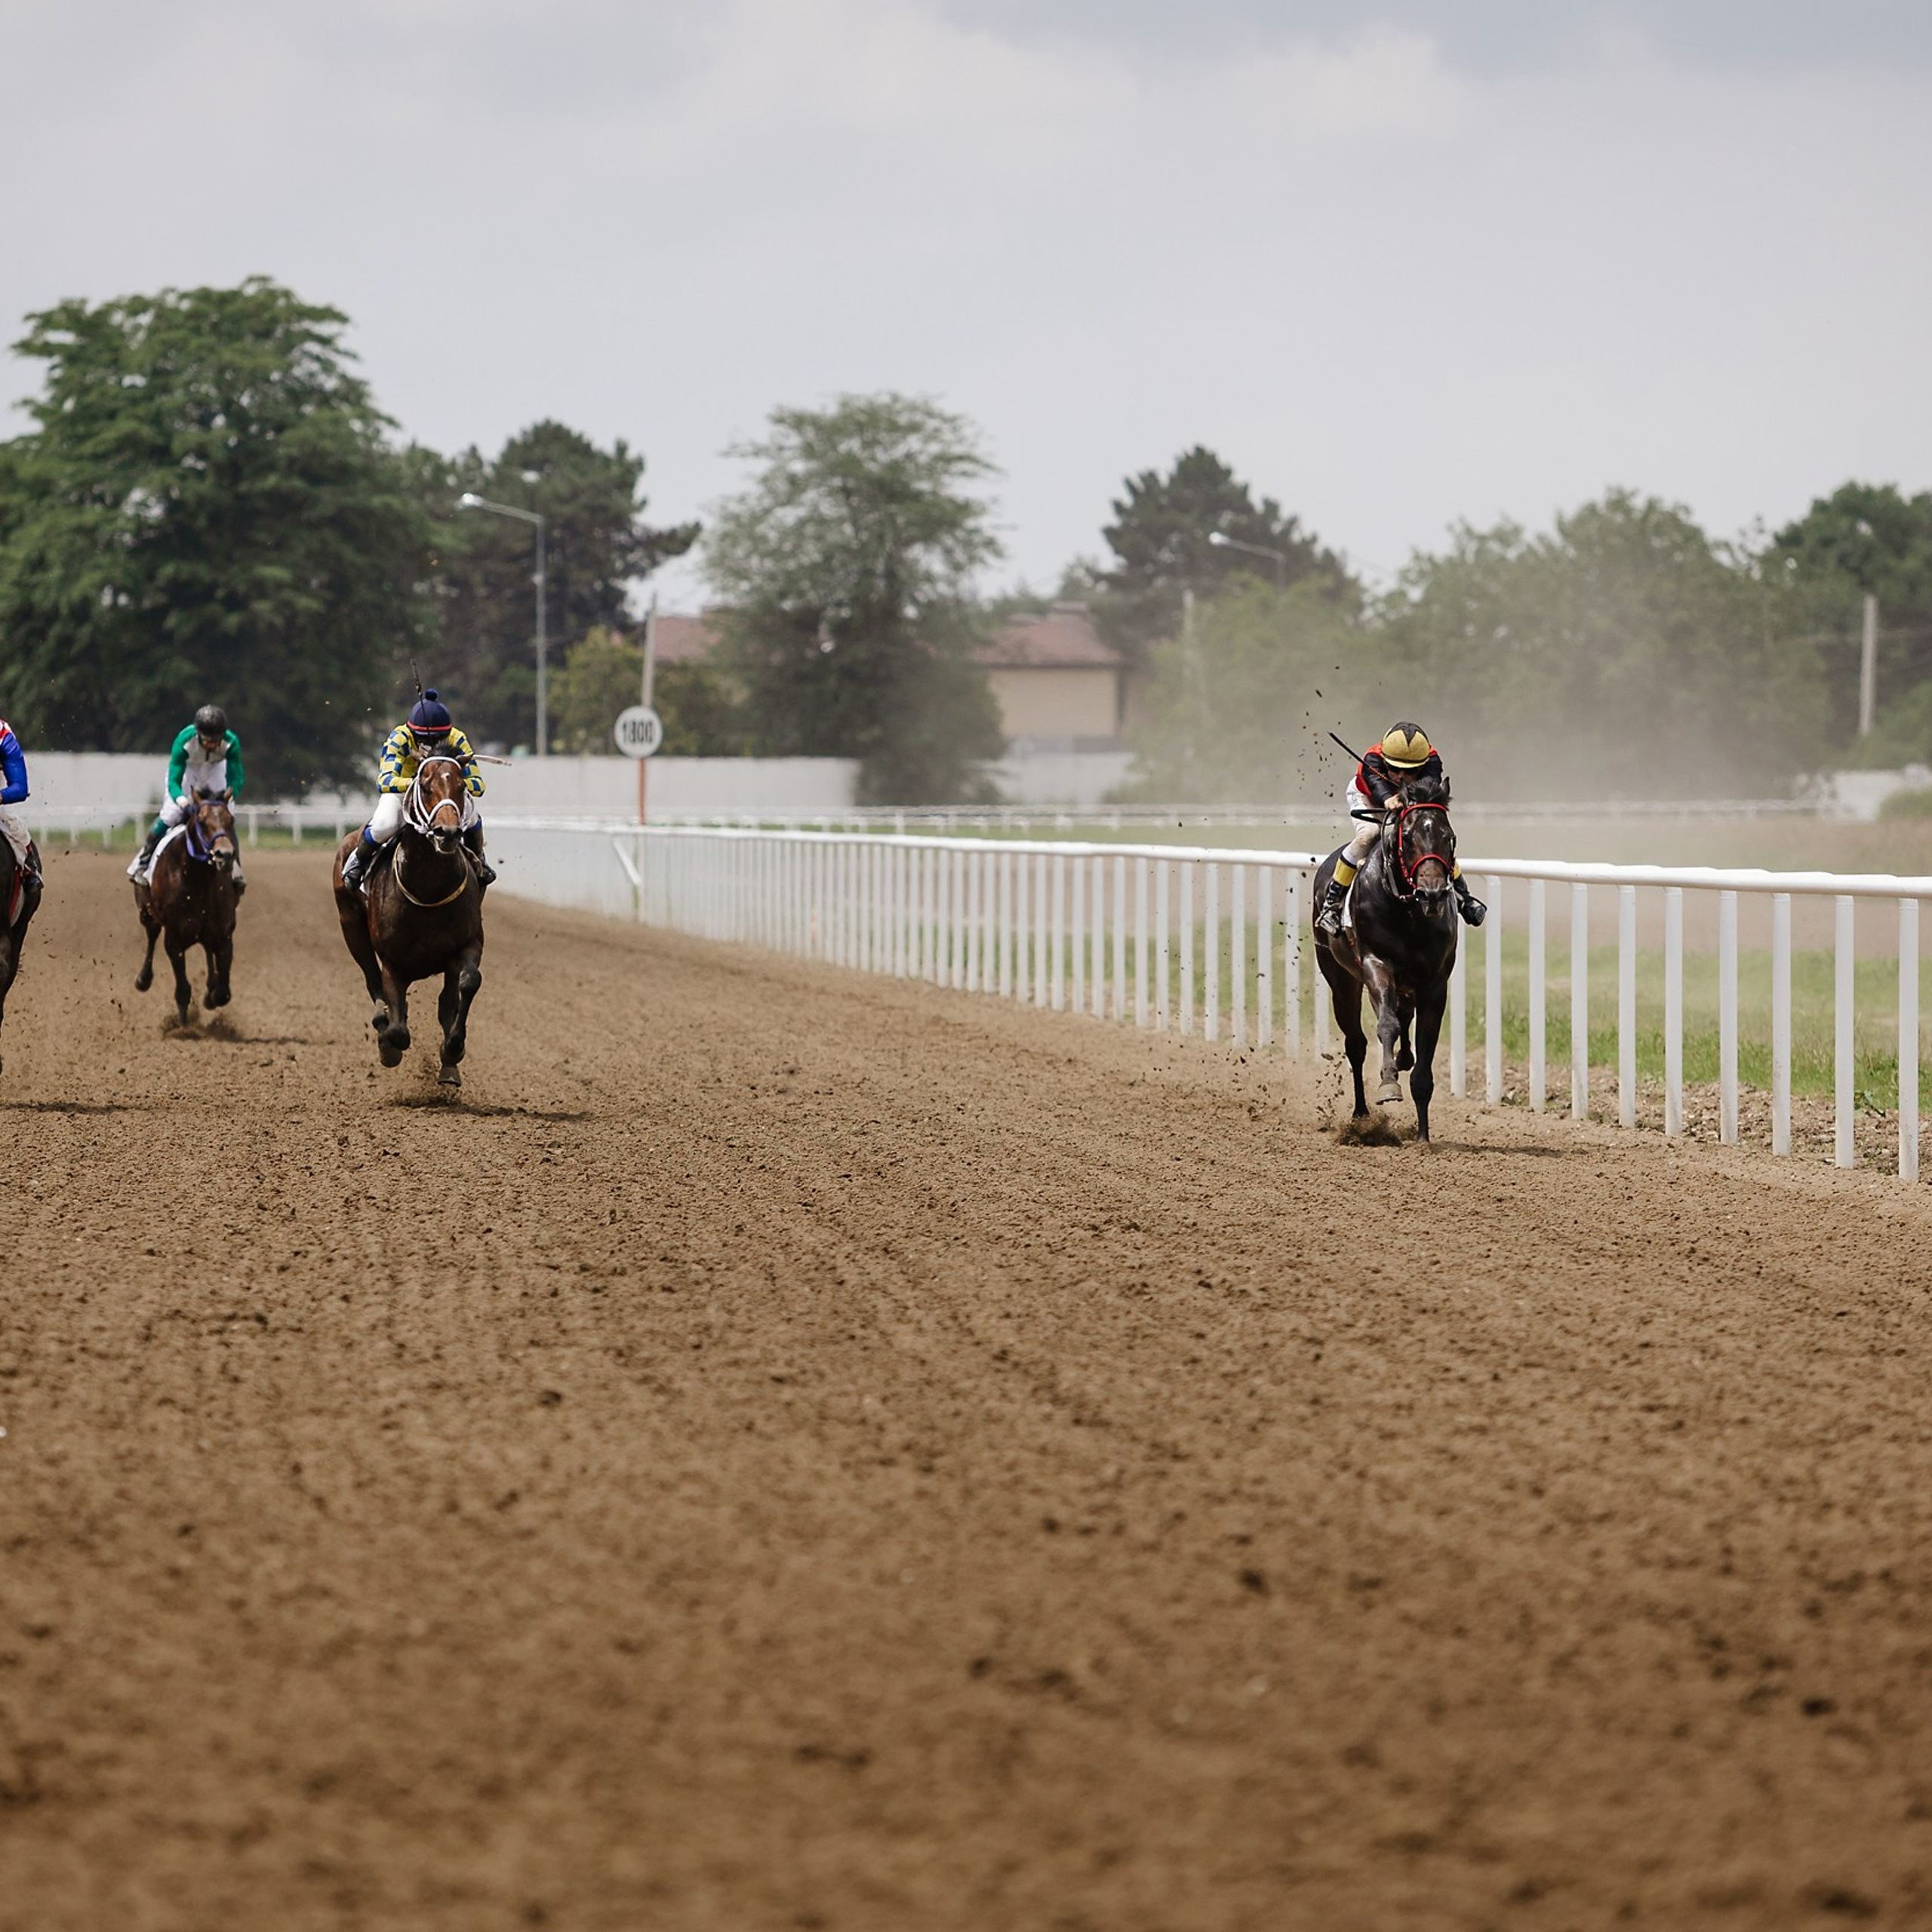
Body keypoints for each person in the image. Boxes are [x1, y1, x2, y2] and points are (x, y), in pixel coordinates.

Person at [1315, 721, 1485, 936]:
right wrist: (1387, 798)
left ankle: (1464, 897)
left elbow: (1428, 791)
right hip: (1367, 796)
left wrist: (1409, 801)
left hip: (1408, 799)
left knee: (1430, 838)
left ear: (1422, 765)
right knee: (1370, 835)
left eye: (1410, 771)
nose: (1400, 776)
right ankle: (1332, 903)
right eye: (1394, 769)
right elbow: (1377, 788)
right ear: (1385, 760)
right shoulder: (1372, 759)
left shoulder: (1433, 762)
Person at [340, 688, 494, 894]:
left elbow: (478, 785)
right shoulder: (400, 738)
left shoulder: (457, 739)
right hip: (403, 793)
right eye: (425, 740)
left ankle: (479, 862)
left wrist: (455, 781)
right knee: (385, 825)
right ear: (413, 732)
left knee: (473, 817)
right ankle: (357, 862)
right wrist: (416, 784)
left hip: (444, 794)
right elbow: (385, 781)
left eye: (439, 739)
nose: (431, 745)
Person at [128, 703, 248, 895]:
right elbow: (174, 781)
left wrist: (230, 794)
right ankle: (142, 863)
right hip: (188, 770)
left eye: (215, 740)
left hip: (216, 769)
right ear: (199, 733)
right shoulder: (184, 741)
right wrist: (182, 801)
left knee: (225, 819)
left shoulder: (231, 743)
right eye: (207, 740)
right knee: (170, 816)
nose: (211, 744)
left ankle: (236, 871)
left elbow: (236, 777)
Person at [0, 716, 43, 922]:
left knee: (16, 829)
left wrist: (0, 796)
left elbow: (20, 787)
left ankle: (29, 871)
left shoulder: (3, 734)